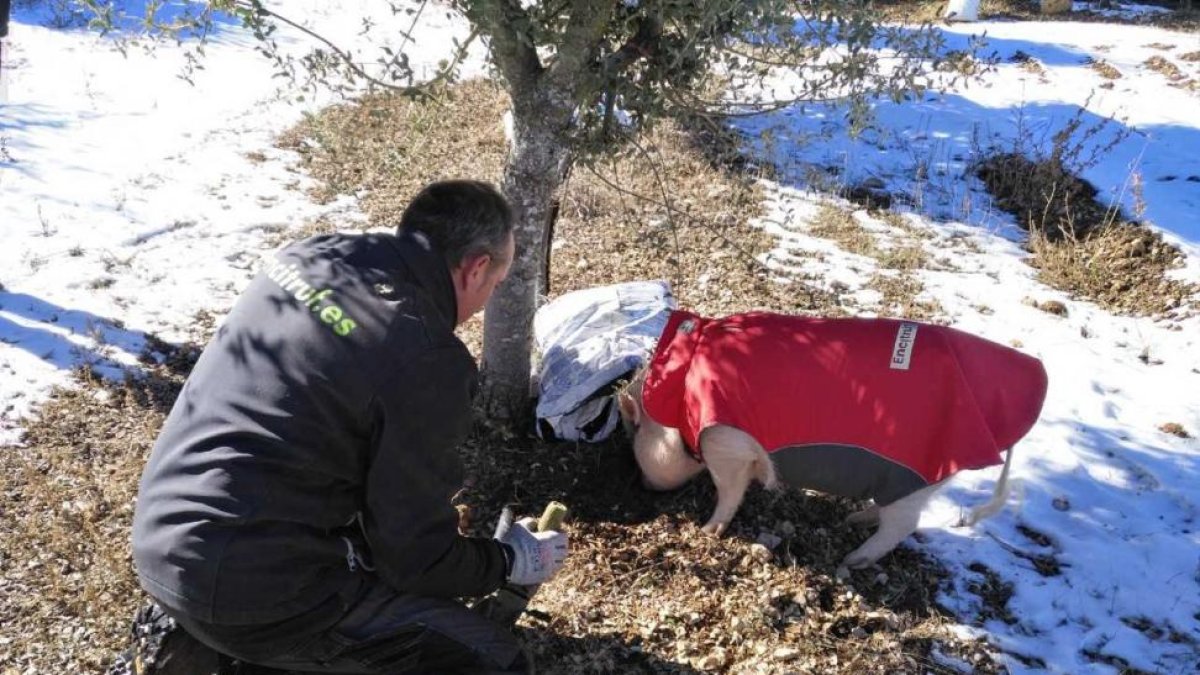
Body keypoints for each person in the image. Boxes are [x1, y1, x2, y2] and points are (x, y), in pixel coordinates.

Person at [131, 180, 568, 674]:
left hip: (161, 538)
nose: (486, 301)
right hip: (249, 591)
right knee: (495, 660)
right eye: (494, 286)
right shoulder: (426, 356)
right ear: (476, 268)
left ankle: (218, 642)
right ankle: (245, 646)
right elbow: (414, 559)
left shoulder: (305, 257)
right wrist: (507, 561)